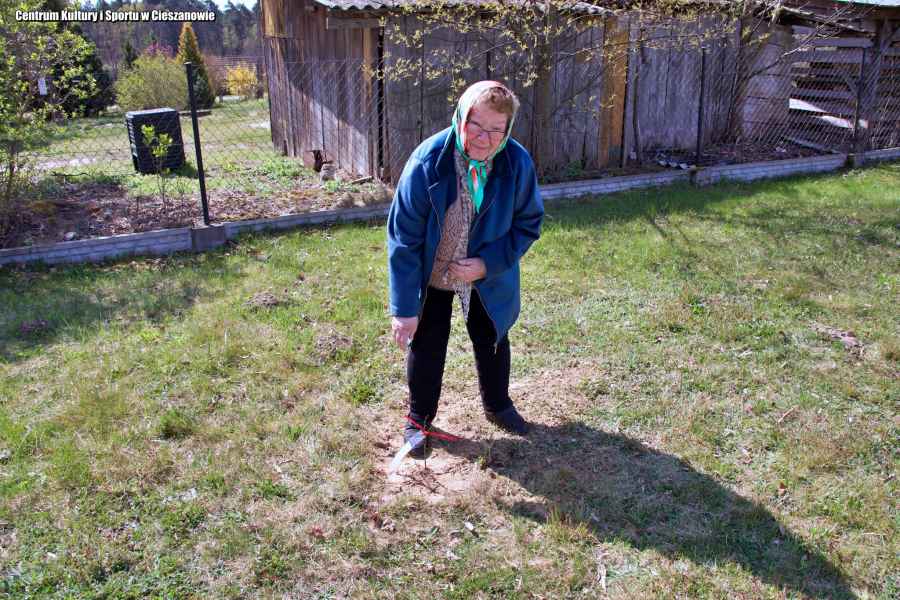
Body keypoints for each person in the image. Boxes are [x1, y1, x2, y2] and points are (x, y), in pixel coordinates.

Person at [386, 80, 544, 459]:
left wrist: (487, 264)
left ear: (508, 129)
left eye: (496, 130)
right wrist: (404, 309)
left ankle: (498, 404)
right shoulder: (427, 162)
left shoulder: (516, 162)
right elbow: (404, 239)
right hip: (433, 273)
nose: (484, 138)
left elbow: (528, 224)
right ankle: (419, 420)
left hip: (486, 276)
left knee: (492, 336)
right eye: (476, 125)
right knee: (427, 342)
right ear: (461, 117)